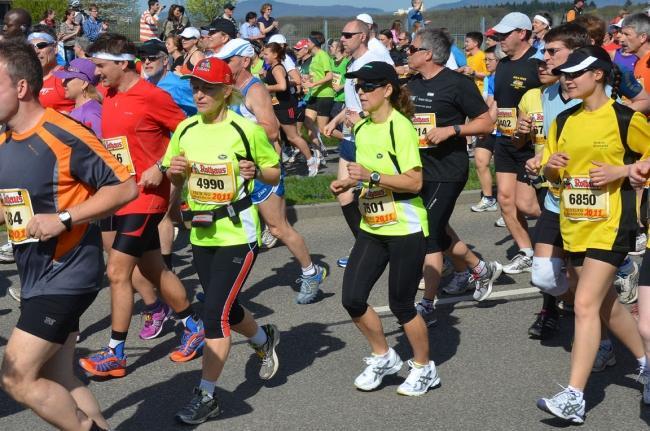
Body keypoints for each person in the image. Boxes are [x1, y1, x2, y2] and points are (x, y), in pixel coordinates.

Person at [0, 38, 137, 431]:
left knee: (15, 376)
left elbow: (123, 187)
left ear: (21, 87)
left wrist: (64, 218)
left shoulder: (63, 133)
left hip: (68, 272)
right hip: (34, 274)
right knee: (61, 377)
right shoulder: (5, 140)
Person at [162, 57, 282, 424]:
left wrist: (255, 170)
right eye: (195, 87)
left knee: (213, 316)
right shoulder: (185, 130)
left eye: (208, 88)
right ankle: (264, 339)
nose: (199, 94)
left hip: (238, 232)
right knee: (225, 307)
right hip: (201, 231)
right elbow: (173, 177)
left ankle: (207, 395)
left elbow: (273, 171)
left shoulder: (245, 130)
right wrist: (176, 179)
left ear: (226, 91)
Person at [78, 33, 204, 378]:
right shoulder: (109, 94)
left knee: (118, 271)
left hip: (146, 197)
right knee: (153, 269)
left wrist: (161, 166)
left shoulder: (152, 96)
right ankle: (194, 326)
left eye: (101, 66)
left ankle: (115, 353)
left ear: (122, 64)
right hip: (121, 194)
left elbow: (189, 135)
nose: (97, 73)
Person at [537, 46, 650, 424]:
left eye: (575, 74)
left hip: (612, 224)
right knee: (603, 305)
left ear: (598, 74)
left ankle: (574, 397)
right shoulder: (565, 121)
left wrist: (621, 171)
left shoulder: (624, 118)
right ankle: (646, 363)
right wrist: (550, 167)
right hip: (574, 223)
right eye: (564, 74)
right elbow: (551, 174)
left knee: (583, 304)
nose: (567, 79)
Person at [331, 61, 439, 396]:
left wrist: (371, 177)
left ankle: (424, 368)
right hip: (373, 224)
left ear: (388, 89)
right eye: (358, 87)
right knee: (352, 298)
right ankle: (385, 356)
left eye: (368, 87)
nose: (360, 92)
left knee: (402, 304)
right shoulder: (362, 128)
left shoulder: (400, 127)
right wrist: (347, 183)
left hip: (405, 226)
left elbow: (415, 181)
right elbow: (365, 171)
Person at [219, 38, 328, 303]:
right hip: (237, 169)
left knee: (278, 228)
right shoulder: (229, 87)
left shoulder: (254, 90)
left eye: (228, 60)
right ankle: (223, 290)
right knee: (233, 229)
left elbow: (270, 128)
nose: (223, 65)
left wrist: (236, 130)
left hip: (262, 167)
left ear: (244, 61)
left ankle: (311, 272)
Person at [408, 29, 501, 326]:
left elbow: (486, 122)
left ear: (428, 54)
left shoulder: (457, 84)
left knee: (428, 235)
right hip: (418, 170)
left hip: (447, 170)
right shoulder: (412, 84)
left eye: (412, 48)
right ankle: (478, 268)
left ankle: (427, 304)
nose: (407, 52)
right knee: (439, 228)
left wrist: (453, 130)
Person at [323, 19, 389, 269]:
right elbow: (352, 104)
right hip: (351, 137)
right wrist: (336, 120)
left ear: (362, 36)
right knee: (342, 192)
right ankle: (364, 245)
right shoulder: (351, 63)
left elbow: (386, 98)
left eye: (348, 35)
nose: (342, 39)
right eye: (341, 34)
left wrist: (360, 117)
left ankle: (388, 247)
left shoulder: (374, 60)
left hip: (367, 137)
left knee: (375, 197)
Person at [491, 12, 543, 274]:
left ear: (522, 33)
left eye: (504, 34)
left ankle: (563, 240)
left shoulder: (539, 63)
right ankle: (527, 252)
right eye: (498, 35)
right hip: (504, 139)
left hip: (532, 143)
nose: (499, 39)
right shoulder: (503, 64)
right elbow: (499, 103)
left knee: (528, 205)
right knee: (505, 199)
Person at [264, 41, 320, 178]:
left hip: (285, 106)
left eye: (266, 54)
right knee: (274, 135)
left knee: (292, 136)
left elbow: (282, 86)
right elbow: (284, 83)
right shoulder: (272, 67)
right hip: (276, 105)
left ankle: (311, 160)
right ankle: (278, 165)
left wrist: (266, 87)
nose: (263, 56)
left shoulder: (277, 68)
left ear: (275, 54)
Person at [471, 44, 506, 213]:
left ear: (500, 61)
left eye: (490, 59)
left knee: (501, 167)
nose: (486, 62)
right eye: (485, 59)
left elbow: (498, 105)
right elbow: (490, 102)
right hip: (489, 125)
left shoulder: (506, 77)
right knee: (480, 160)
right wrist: (482, 122)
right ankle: (488, 198)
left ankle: (509, 207)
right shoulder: (491, 78)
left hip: (504, 128)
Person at [140, 38, 196, 116]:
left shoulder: (181, 86)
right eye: (143, 58)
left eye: (152, 58)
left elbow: (201, 112)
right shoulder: (143, 85)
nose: (147, 62)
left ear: (165, 60)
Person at [30, 25, 76, 113]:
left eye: (41, 45)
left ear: (55, 48)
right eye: (31, 47)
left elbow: (88, 110)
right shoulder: (25, 79)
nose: (36, 51)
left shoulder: (68, 77)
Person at [304, 30, 334, 160]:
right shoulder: (314, 57)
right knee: (308, 122)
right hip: (314, 94)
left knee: (323, 129)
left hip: (325, 95)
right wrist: (308, 79)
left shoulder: (323, 55)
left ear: (315, 43)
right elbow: (317, 74)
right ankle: (318, 150)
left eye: (309, 42)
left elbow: (329, 76)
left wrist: (314, 83)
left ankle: (348, 139)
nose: (307, 44)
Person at [55, 58, 103, 137]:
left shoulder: (91, 113)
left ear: (84, 83)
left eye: (68, 79)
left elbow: (101, 147)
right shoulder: (83, 109)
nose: (63, 83)